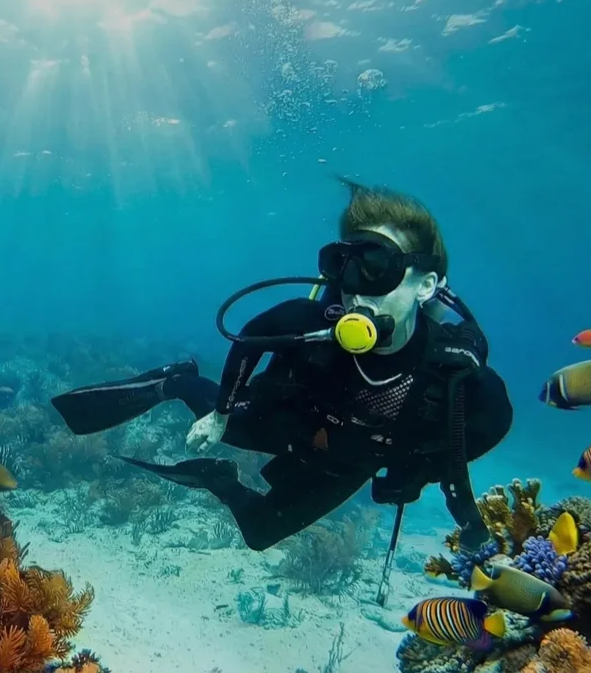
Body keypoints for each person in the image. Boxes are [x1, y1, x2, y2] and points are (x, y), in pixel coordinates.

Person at [50, 179, 512, 553]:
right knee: (221, 425)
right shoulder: (310, 322)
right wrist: (222, 411)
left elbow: (486, 431)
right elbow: (250, 336)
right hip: (290, 417)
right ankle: (178, 381)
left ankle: (217, 478)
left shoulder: (454, 374)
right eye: (343, 264)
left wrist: (417, 468)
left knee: (261, 534)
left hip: (350, 456)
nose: (354, 287)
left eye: (375, 265)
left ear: (426, 283)